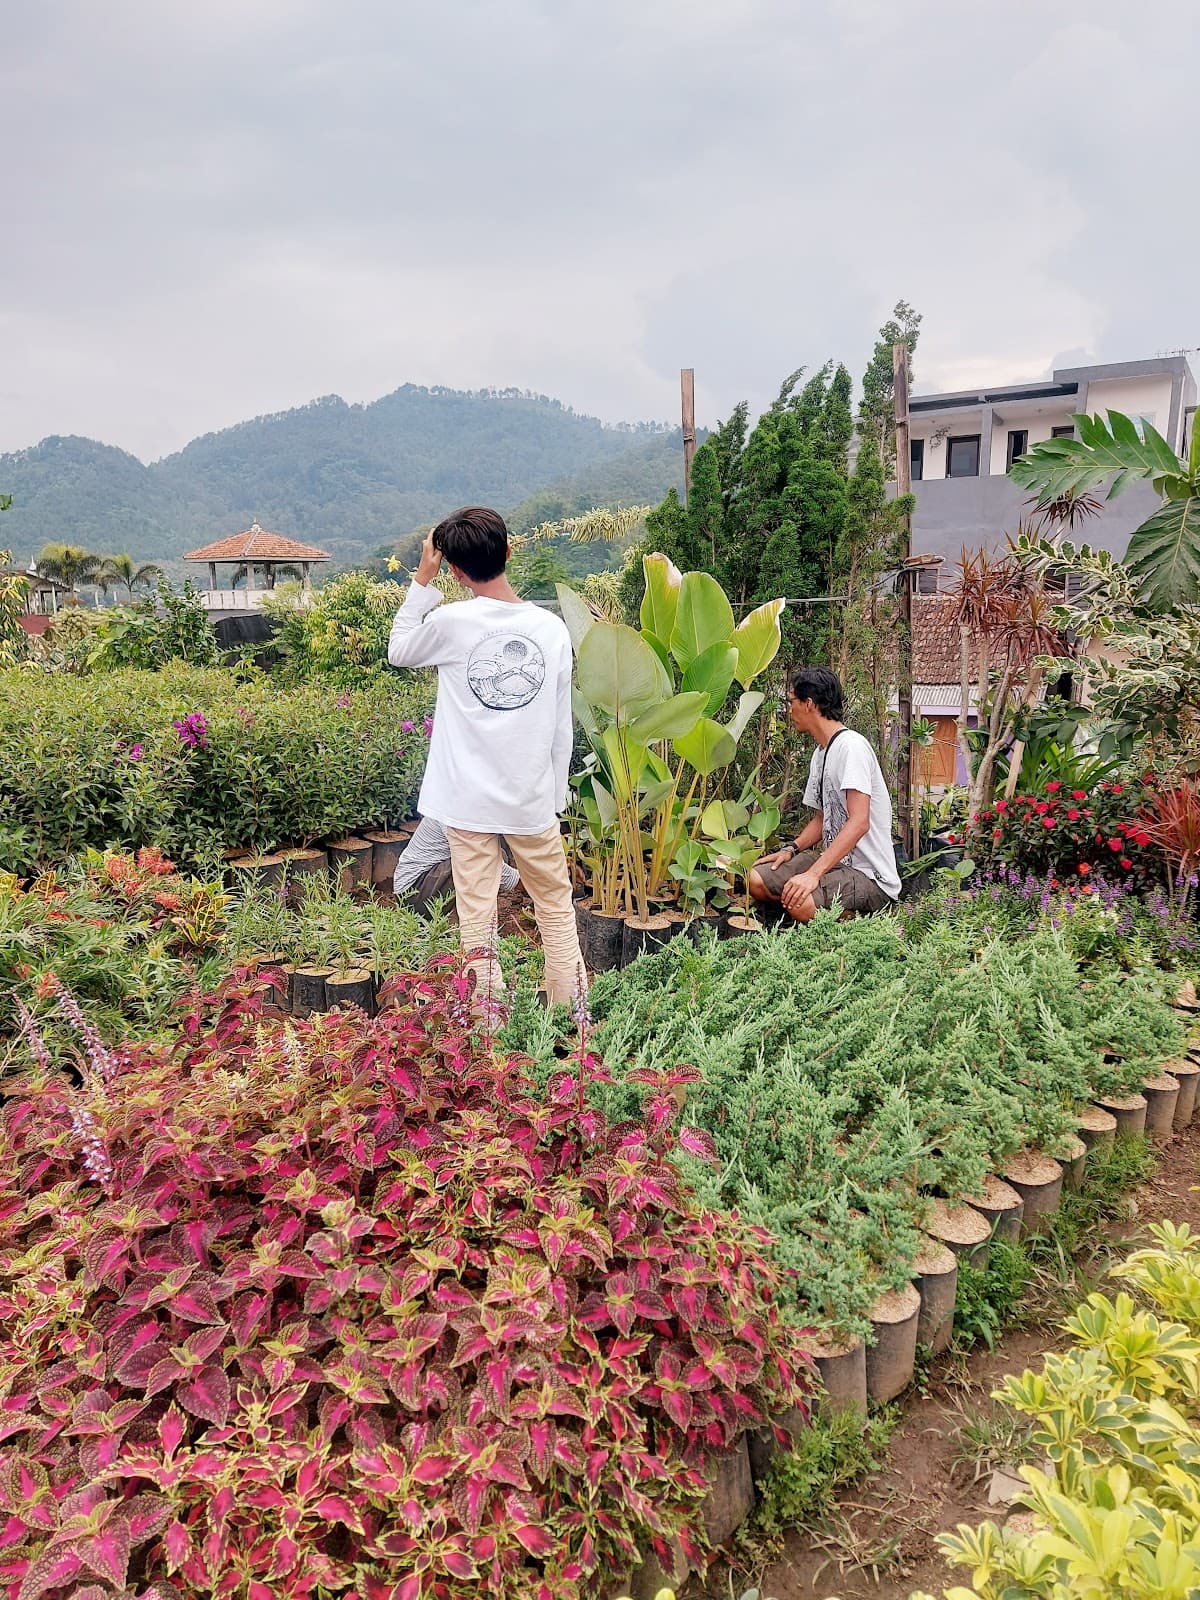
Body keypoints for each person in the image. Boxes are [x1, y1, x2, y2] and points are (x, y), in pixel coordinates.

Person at [386, 506, 586, 1005]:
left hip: (467, 803)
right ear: (509, 552)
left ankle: (486, 1033)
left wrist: (421, 580)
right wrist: (554, 794)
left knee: (477, 922)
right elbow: (563, 726)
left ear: (454, 570)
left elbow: (399, 649)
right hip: (531, 802)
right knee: (556, 912)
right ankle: (574, 1024)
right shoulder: (552, 630)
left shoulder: (451, 621)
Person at [749, 665, 900, 922]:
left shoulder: (852, 748)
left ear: (809, 704)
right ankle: (813, 910)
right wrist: (791, 849)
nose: (789, 709)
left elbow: (859, 822)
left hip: (870, 877)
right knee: (755, 878)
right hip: (836, 865)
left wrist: (813, 874)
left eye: (791, 701)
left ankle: (856, 920)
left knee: (800, 900)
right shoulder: (821, 753)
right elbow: (822, 820)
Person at [393, 815, 520, 915]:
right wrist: (528, 886)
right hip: (414, 892)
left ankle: (466, 915)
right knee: (481, 863)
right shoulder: (455, 813)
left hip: (425, 883)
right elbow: (478, 860)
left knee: (497, 854)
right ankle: (467, 921)